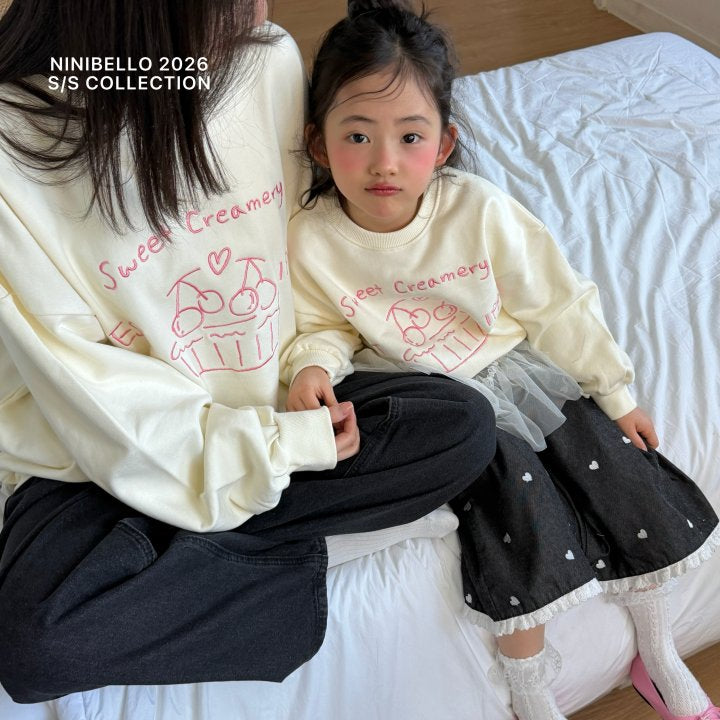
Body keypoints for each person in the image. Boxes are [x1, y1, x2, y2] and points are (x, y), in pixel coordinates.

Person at [0, 0, 498, 704]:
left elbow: (311, 256)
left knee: (461, 428)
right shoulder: (12, 144)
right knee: (33, 644)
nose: (262, 8)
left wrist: (310, 368)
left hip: (273, 407)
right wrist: (286, 449)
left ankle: (196, 545)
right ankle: (261, 552)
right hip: (99, 455)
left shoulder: (262, 61)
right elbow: (99, 404)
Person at [281, 2, 720, 719]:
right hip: (443, 405)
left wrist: (615, 394)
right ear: (319, 144)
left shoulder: (479, 210)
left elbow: (558, 303)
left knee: (625, 486)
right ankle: (530, 692)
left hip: (522, 373)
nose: (384, 161)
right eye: (357, 135)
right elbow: (320, 327)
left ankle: (658, 652)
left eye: (410, 136)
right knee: (518, 528)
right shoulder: (311, 238)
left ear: (443, 144)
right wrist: (312, 368)